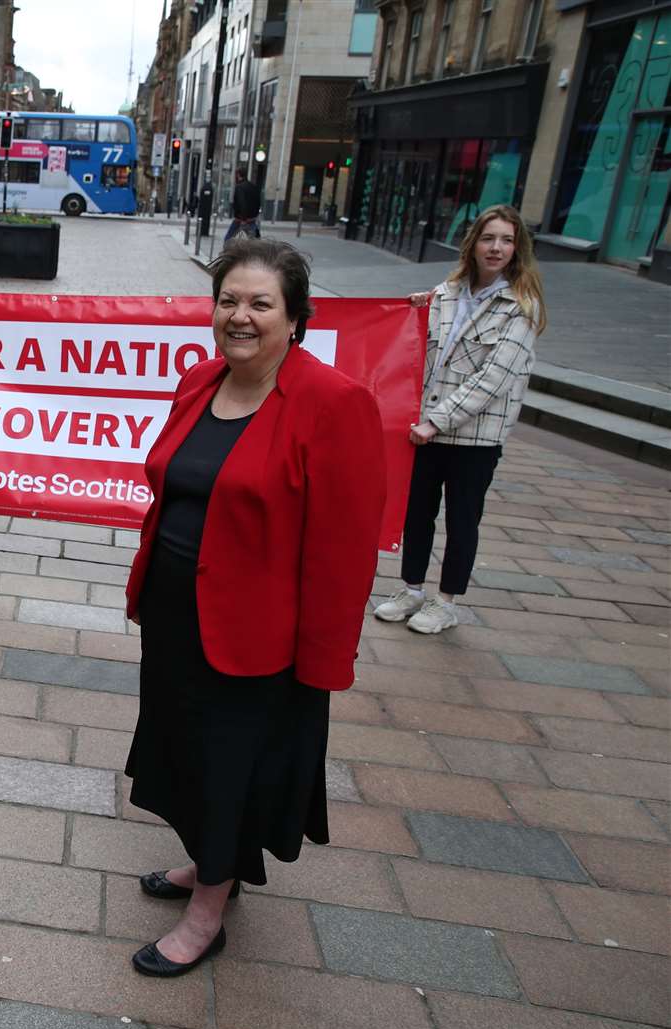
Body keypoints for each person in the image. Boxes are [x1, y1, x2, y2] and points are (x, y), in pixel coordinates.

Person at [122, 238, 385, 978]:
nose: (240, 316)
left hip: (257, 635)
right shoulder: (200, 380)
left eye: (260, 304)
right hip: (179, 612)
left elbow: (345, 551)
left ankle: (209, 911)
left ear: (294, 317)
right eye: (229, 300)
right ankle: (209, 862)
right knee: (181, 744)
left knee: (227, 762)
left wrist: (323, 662)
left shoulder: (334, 404)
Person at [374, 204, 545, 634]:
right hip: (424, 432)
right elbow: (418, 351)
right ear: (473, 244)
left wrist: (437, 420)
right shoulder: (448, 292)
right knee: (416, 514)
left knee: (462, 519)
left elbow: (494, 379)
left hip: (474, 437)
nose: (496, 248)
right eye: (489, 238)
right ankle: (411, 589)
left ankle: (446, 602)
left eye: (506, 240)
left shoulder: (521, 307)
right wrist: (412, 312)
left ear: (517, 248)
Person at [224, 168, 261, 244]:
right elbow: (258, 201)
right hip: (252, 218)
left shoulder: (239, 187)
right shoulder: (253, 186)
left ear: (238, 175)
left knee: (228, 239)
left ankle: (227, 252)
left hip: (241, 219)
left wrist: (243, 219)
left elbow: (242, 203)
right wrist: (255, 214)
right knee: (253, 240)